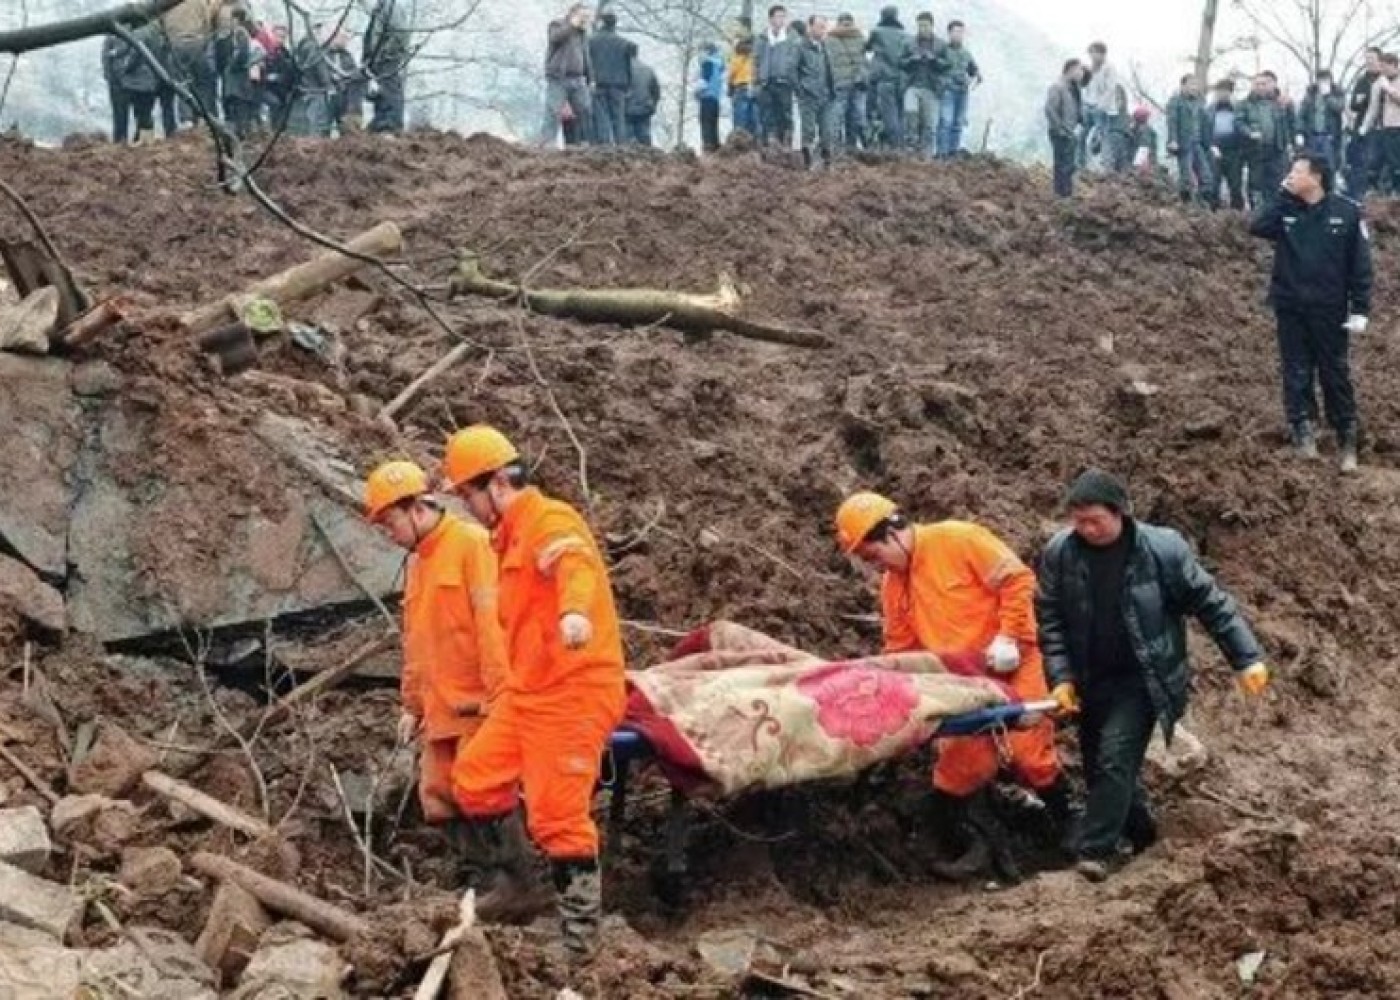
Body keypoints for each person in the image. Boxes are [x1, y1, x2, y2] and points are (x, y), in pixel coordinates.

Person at [443, 426, 627, 963]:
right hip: (529, 691)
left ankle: (579, 944)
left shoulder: (549, 520)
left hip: (573, 691)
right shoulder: (507, 538)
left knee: (558, 817)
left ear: (497, 483)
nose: (468, 509)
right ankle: (523, 886)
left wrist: (573, 612)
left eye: (469, 497)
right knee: (475, 781)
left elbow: (575, 565)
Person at [1037, 470, 1270, 882]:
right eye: (1078, 520)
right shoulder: (1061, 552)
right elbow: (1050, 619)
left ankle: (1095, 853)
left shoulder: (1163, 550)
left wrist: (1246, 657)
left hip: (1145, 678)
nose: (1085, 529)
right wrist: (1061, 677)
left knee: (1113, 758)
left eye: (1093, 520)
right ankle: (1144, 835)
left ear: (1120, 513)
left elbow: (1211, 603)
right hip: (1093, 679)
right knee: (1100, 769)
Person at [834, 493, 1073, 884]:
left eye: (873, 554)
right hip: (963, 684)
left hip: (1014, 664)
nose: (874, 565)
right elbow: (901, 650)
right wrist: (902, 695)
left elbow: (1017, 579)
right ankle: (967, 842)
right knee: (958, 771)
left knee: (1030, 754)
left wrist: (1009, 636)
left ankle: (1070, 828)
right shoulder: (894, 587)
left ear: (892, 530)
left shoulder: (958, 539)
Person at [359, 462, 546, 916]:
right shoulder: (422, 564)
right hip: (441, 707)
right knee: (440, 796)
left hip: (477, 704)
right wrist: (412, 702)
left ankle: (518, 885)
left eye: (389, 521)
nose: (388, 533)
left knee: (486, 790)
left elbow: (492, 627)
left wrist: (501, 696)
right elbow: (419, 640)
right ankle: (480, 880)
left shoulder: (470, 545)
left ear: (415, 508)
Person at [1249, 152, 1373, 471]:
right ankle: (1302, 429)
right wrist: (1281, 197)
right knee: (1296, 370)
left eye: (1297, 171)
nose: (1290, 175)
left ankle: (1346, 435)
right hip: (1290, 305)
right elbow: (1256, 226)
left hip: (1329, 308)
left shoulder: (1346, 213)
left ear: (1316, 177)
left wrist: (1360, 307)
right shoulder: (1286, 209)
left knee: (1334, 371)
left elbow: (1360, 265)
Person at [1237, 71, 1295, 207]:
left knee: (1277, 183)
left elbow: (1291, 123)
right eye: (1257, 84)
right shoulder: (1245, 104)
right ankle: (1256, 212)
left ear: (1271, 85)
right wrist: (1250, 133)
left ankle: (1275, 212)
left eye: (1264, 84)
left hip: (1277, 150)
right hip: (1256, 151)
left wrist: (1289, 106)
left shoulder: (1280, 103)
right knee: (1255, 184)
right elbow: (1238, 123)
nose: (1260, 87)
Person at [541, 4, 594, 148]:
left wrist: (591, 78)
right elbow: (555, 38)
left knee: (585, 109)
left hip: (578, 79)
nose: (585, 19)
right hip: (558, 78)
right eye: (583, 16)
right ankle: (547, 143)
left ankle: (584, 142)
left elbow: (585, 56)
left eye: (587, 17)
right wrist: (571, 26)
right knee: (553, 110)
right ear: (574, 14)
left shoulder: (582, 33)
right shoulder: (557, 25)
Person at [161, 0, 219, 124]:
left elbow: (161, 26)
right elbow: (207, 23)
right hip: (197, 43)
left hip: (176, 45)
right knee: (203, 83)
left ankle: (186, 119)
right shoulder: (199, 2)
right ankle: (204, 117)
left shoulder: (166, 4)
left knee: (182, 84)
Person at [214, 5, 264, 140]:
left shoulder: (240, 33)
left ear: (236, 19)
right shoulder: (240, 33)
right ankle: (238, 137)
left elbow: (241, 54)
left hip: (237, 80)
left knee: (238, 110)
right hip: (238, 80)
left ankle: (239, 138)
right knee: (236, 110)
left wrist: (231, 67)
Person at [1166, 74, 1217, 207]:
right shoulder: (1175, 101)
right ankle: (1185, 204)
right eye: (1191, 84)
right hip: (1183, 144)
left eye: (1196, 85)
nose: (1194, 88)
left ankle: (1202, 203)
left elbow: (1206, 125)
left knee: (1207, 176)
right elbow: (1172, 121)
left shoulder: (1200, 103)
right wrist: (1172, 139)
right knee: (1186, 177)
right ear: (1183, 86)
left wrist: (1211, 144)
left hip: (1198, 144)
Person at [588, 13, 636, 146]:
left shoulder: (592, 41)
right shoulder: (623, 42)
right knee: (618, 116)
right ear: (614, 24)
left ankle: (605, 145)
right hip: (619, 85)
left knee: (601, 115)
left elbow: (587, 62)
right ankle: (621, 144)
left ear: (602, 22)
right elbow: (633, 53)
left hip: (599, 83)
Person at [794, 17, 836, 168]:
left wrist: (832, 89)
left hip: (826, 94)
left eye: (824, 27)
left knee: (828, 130)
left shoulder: (825, 46)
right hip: (808, 95)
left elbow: (829, 69)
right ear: (809, 27)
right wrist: (801, 90)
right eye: (819, 27)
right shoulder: (800, 46)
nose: (822, 30)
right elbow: (792, 70)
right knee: (808, 130)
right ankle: (807, 163)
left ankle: (827, 162)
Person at [109, 25, 162, 144]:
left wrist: (124, 68)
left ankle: (135, 141)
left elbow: (135, 55)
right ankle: (146, 141)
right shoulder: (153, 32)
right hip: (150, 80)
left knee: (140, 112)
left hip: (137, 81)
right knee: (145, 113)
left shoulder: (138, 34)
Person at [865, 5, 909, 149]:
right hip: (902, 80)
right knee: (899, 113)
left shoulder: (877, 32)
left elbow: (866, 47)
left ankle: (893, 145)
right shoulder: (905, 35)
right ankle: (900, 143)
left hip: (883, 78)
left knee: (886, 114)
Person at [934, 20, 980, 158]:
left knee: (958, 123)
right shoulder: (942, 50)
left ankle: (953, 152)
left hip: (962, 91)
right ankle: (942, 153)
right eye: (955, 32)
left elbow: (974, 70)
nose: (958, 35)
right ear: (949, 33)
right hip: (947, 90)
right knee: (946, 121)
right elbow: (934, 67)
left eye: (961, 32)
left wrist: (976, 76)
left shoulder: (966, 53)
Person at [754, 4, 798, 148]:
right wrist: (755, 81)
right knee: (767, 116)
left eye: (783, 16)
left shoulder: (791, 38)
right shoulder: (762, 38)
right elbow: (755, 61)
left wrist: (793, 79)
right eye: (778, 16)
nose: (781, 20)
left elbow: (795, 61)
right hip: (766, 82)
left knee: (785, 115)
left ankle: (786, 144)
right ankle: (769, 145)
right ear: (771, 19)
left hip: (784, 83)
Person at [364, 0, 410, 133]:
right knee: (382, 90)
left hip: (387, 58)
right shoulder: (380, 8)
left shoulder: (391, 7)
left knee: (390, 88)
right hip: (378, 59)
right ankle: (381, 122)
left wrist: (385, 53)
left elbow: (400, 33)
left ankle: (390, 125)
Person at [901, 12, 943, 159]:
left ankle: (927, 155)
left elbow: (947, 66)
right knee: (910, 113)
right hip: (912, 86)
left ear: (932, 25)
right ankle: (911, 149)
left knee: (930, 124)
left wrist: (935, 60)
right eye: (920, 26)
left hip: (932, 88)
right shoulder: (910, 43)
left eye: (925, 25)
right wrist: (912, 59)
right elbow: (901, 63)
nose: (923, 28)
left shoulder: (940, 44)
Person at [1083, 41, 1128, 171]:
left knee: (1103, 137)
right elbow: (1086, 88)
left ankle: (1106, 168)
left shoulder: (1109, 68)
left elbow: (1110, 89)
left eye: (1093, 53)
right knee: (1081, 135)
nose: (1091, 56)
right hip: (1089, 106)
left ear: (1102, 54)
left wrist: (1101, 106)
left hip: (1103, 110)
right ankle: (1080, 165)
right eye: (1090, 53)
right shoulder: (1089, 69)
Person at [824, 12, 866, 151]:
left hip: (840, 81)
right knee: (854, 115)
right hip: (857, 82)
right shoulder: (859, 37)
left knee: (837, 114)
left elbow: (827, 63)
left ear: (838, 22)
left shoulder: (829, 39)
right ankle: (852, 145)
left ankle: (834, 145)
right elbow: (863, 60)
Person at [1359, 53, 1400, 196]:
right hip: (1381, 128)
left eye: (1385, 67)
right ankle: (1375, 192)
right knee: (1374, 161)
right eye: (1381, 67)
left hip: (1397, 127)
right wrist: (1364, 126)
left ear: (1394, 65)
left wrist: (1389, 88)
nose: (1383, 70)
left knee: (1396, 162)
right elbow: (1373, 107)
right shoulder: (1378, 83)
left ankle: (1396, 191)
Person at [1346, 48, 1382, 197]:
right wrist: (1367, 99)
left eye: (1372, 58)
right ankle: (1357, 197)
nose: (1369, 61)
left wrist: (1366, 99)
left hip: (1381, 128)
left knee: (1377, 165)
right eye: (1366, 58)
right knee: (1359, 164)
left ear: (1379, 60)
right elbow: (1354, 103)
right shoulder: (1361, 81)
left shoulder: (1385, 79)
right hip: (1361, 128)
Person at [1046, 59, 1084, 198]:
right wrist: (1060, 130)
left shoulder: (1073, 88)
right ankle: (1062, 196)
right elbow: (1050, 110)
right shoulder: (1057, 87)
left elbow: (1077, 109)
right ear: (1071, 69)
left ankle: (1065, 195)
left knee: (1068, 166)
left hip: (1070, 132)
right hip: (1061, 133)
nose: (1082, 73)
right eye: (1080, 70)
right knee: (1063, 166)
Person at [1208, 79, 1246, 210]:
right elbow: (1204, 130)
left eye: (1225, 92)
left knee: (1235, 185)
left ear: (1231, 93)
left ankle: (1237, 214)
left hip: (1234, 151)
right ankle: (1212, 213)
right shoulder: (1209, 110)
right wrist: (1211, 145)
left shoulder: (1239, 109)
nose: (1222, 95)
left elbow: (1243, 128)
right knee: (1213, 184)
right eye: (1219, 92)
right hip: (1214, 150)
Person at [1298, 70, 1344, 166]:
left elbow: (1339, 108)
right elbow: (1302, 114)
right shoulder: (1310, 94)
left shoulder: (1337, 92)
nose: (1323, 83)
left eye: (1326, 80)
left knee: (1329, 166)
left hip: (1329, 136)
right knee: (1312, 165)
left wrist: (1328, 96)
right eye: (1321, 80)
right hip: (1312, 136)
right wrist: (1300, 132)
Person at [102, 35, 134, 145]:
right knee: (122, 111)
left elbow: (105, 58)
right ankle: (122, 138)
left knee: (119, 111)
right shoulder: (127, 36)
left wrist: (108, 75)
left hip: (118, 80)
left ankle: (120, 138)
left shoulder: (110, 39)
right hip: (122, 80)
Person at [695, 41, 725, 152]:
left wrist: (696, 92)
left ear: (707, 51)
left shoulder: (708, 63)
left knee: (706, 124)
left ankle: (707, 149)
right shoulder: (719, 65)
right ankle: (715, 148)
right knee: (713, 125)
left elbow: (703, 82)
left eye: (702, 51)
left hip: (706, 98)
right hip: (715, 99)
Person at [626, 56, 661, 146]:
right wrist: (652, 105)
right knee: (644, 135)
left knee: (628, 139)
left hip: (627, 109)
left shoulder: (623, 70)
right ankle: (648, 155)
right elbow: (656, 91)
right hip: (645, 108)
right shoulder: (648, 70)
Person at [728, 37, 758, 137]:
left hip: (740, 87)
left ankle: (739, 139)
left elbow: (731, 74)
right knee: (753, 117)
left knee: (740, 118)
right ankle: (754, 140)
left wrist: (730, 88)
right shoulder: (754, 58)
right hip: (753, 88)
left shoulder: (737, 58)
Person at [1127, 105, 1159, 177]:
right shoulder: (1137, 129)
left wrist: (1138, 165)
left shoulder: (1145, 130)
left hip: (1144, 164)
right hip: (1141, 161)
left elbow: (1144, 148)